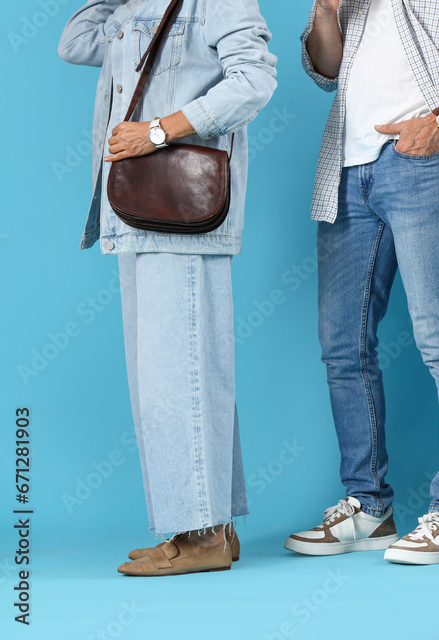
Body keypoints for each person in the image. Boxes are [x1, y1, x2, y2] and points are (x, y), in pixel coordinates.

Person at [283, 0, 439, 565]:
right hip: (348, 166)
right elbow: (326, 69)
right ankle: (367, 505)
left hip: (426, 159)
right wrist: (326, 12)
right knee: (342, 349)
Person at [58, 0, 277, 576]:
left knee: (174, 376)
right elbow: (75, 42)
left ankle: (199, 536)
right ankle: (214, 525)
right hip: (139, 212)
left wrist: (158, 131)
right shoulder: (132, 8)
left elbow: (255, 79)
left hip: (179, 206)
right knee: (185, 372)